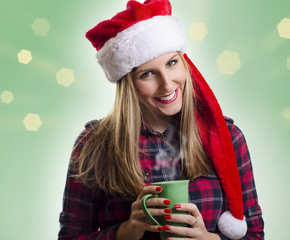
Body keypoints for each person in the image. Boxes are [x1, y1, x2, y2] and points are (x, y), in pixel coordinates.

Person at [58, 0, 264, 239]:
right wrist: (126, 230)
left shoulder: (226, 137)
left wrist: (208, 238)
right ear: (129, 85)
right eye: (147, 74)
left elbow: (255, 234)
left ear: (184, 64)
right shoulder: (95, 144)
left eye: (171, 63)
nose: (167, 84)